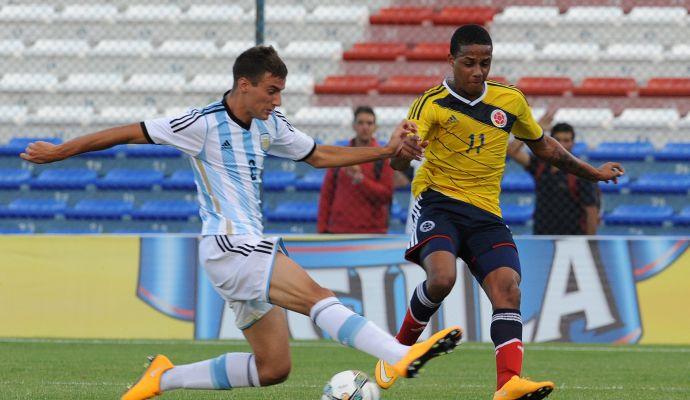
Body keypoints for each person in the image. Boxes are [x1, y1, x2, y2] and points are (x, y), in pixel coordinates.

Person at [20, 46, 462, 400]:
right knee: (318, 296)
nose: (277, 100)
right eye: (271, 91)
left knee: (273, 369)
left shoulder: (271, 125)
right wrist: (60, 152)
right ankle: (400, 355)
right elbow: (124, 132)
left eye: (280, 92)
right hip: (230, 244)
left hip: (246, 250)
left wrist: (386, 153)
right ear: (243, 85)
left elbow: (319, 155)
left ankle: (163, 377)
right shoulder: (202, 123)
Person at [373, 25, 624, 400]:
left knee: (508, 288)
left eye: (485, 63)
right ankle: (395, 353)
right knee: (441, 279)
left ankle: (508, 385)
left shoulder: (510, 101)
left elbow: (545, 148)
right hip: (437, 202)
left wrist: (594, 173)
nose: (478, 71)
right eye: (469, 63)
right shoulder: (431, 103)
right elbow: (399, 160)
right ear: (451, 61)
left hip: (486, 214)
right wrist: (402, 153)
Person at [507, 122, 601, 235]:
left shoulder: (580, 172)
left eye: (566, 140)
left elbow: (591, 210)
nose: (562, 145)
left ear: (573, 143)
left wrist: (590, 241)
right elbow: (512, 151)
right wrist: (535, 128)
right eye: (557, 140)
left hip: (573, 237)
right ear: (550, 142)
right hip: (542, 235)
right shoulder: (540, 166)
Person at [317, 106, 394, 234]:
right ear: (353, 126)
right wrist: (322, 229)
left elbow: (386, 196)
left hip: (372, 232)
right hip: (339, 230)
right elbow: (326, 194)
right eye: (360, 123)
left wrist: (362, 180)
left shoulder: (382, 158)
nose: (365, 127)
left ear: (375, 127)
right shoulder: (340, 155)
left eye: (369, 123)